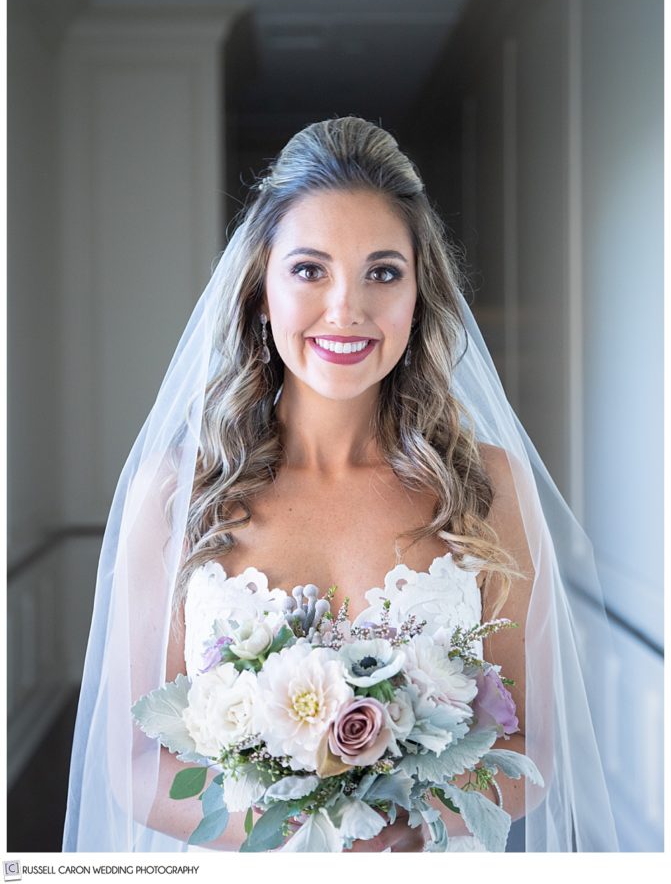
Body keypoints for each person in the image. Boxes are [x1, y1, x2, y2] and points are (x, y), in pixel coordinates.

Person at [63, 116, 619, 853]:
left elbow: (532, 753)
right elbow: (134, 766)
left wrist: (407, 831)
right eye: (309, 269)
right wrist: (314, 838)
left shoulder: (487, 486)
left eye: (382, 272)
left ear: (418, 295)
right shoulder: (176, 495)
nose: (346, 309)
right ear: (261, 290)